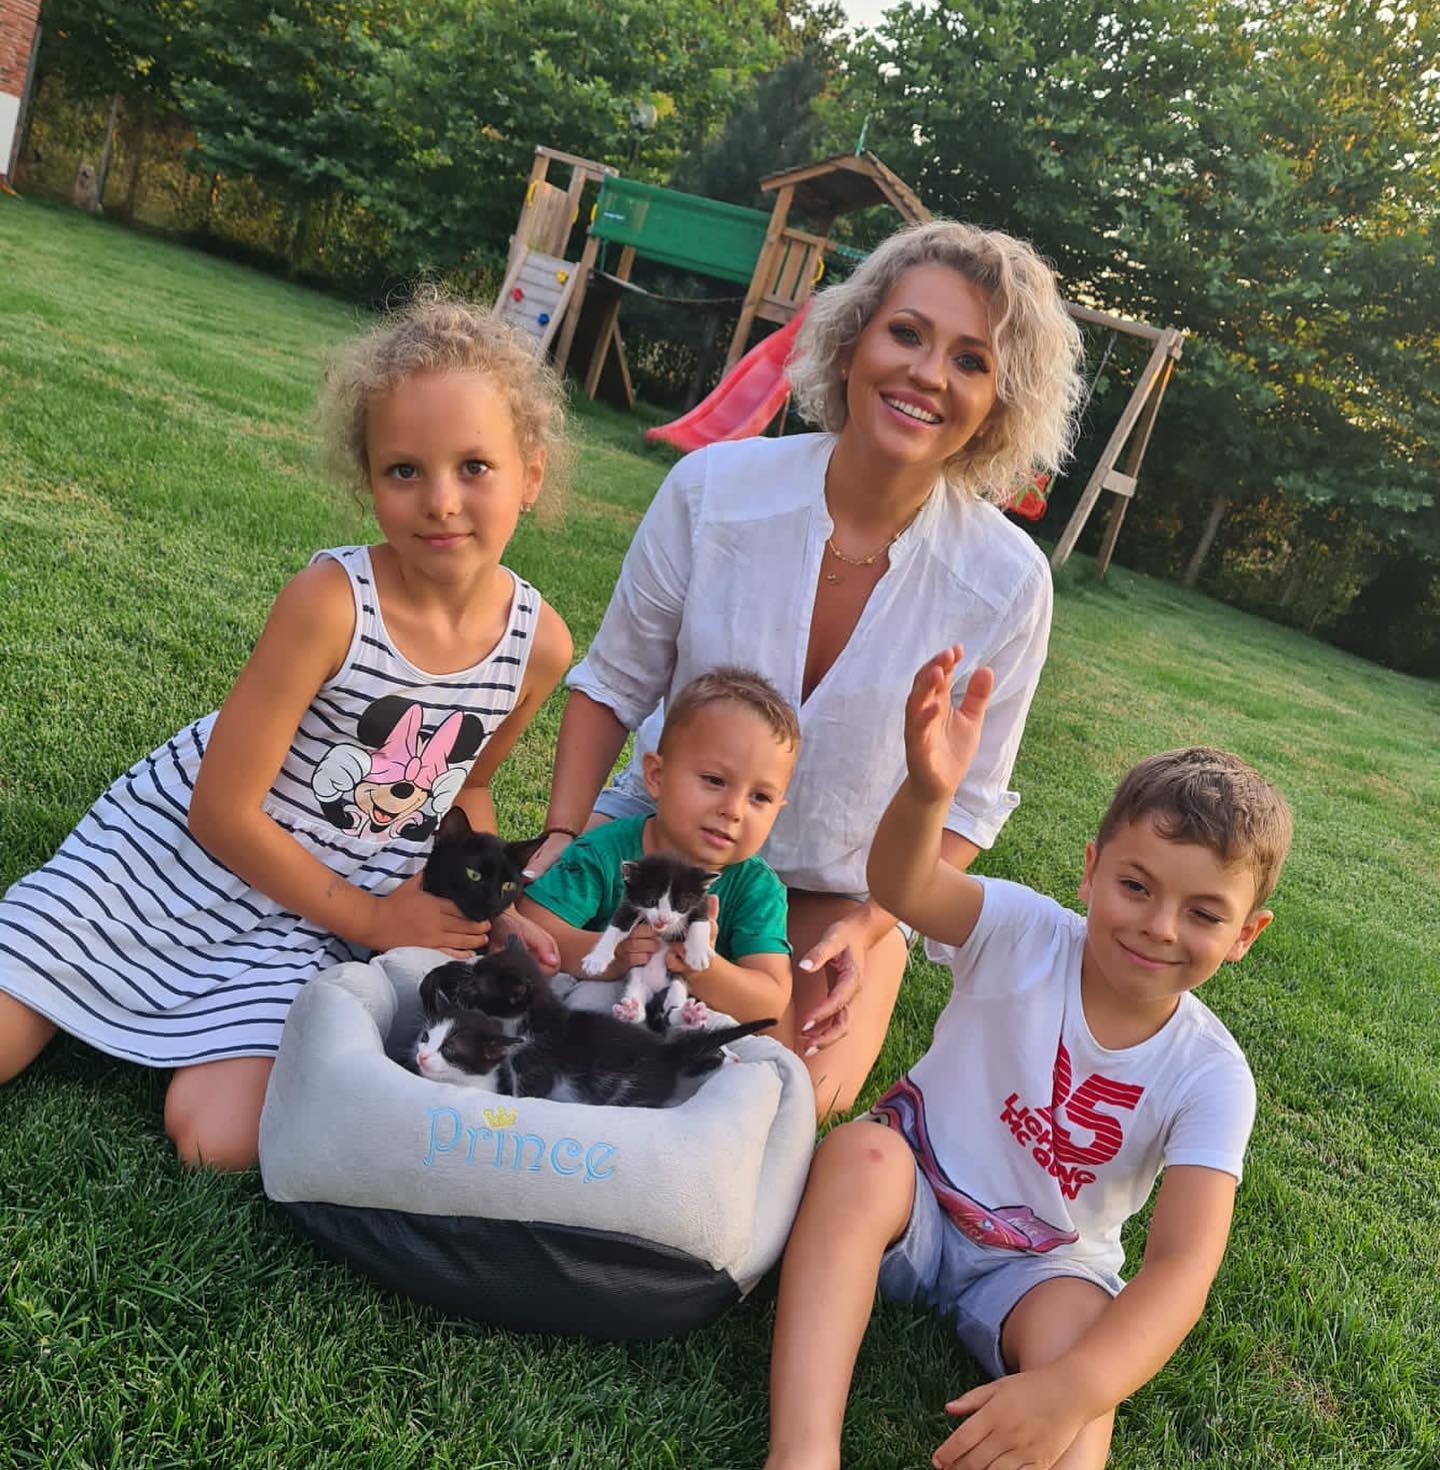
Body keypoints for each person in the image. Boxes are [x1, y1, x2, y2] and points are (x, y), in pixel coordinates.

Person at [0, 294, 573, 1171]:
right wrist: (379, 919)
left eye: (475, 467)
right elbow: (220, 811)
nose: (441, 501)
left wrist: (491, 910)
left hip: (314, 918)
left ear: (530, 475)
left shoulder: (539, 646)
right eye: (404, 470)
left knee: (219, 1140)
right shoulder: (331, 603)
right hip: (188, 857)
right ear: (367, 479)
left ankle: (210, 1020)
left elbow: (472, 786)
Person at [528, 219, 1085, 1116]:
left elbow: (970, 805)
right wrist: (563, 839)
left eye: (971, 360)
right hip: (653, 847)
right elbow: (613, 683)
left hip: (837, 899)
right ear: (854, 338)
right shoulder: (711, 490)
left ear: (1000, 402)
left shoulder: (1009, 583)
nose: (927, 374)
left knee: (776, 1099)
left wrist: (869, 927)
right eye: (907, 333)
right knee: (545, 1008)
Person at [764, 645, 1294, 1470]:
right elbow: (904, 886)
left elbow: (1182, 1267)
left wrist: (1074, 1389)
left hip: (1042, 1268)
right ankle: (802, 1452)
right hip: (914, 1194)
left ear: (1245, 935)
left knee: (1085, 1342)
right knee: (858, 1155)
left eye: (1203, 912)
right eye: (1136, 886)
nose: (1159, 926)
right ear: (1091, 871)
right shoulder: (1023, 932)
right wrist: (927, 794)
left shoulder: (1212, 1075)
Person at [520, 668, 794, 1028]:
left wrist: (703, 967)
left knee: (772, 1061)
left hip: (691, 1029)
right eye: (714, 780)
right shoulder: (609, 852)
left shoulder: (756, 888)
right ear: (656, 776)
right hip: (594, 1019)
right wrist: (616, 952)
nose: (734, 810)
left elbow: (770, 1001)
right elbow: (533, 924)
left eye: (760, 797)